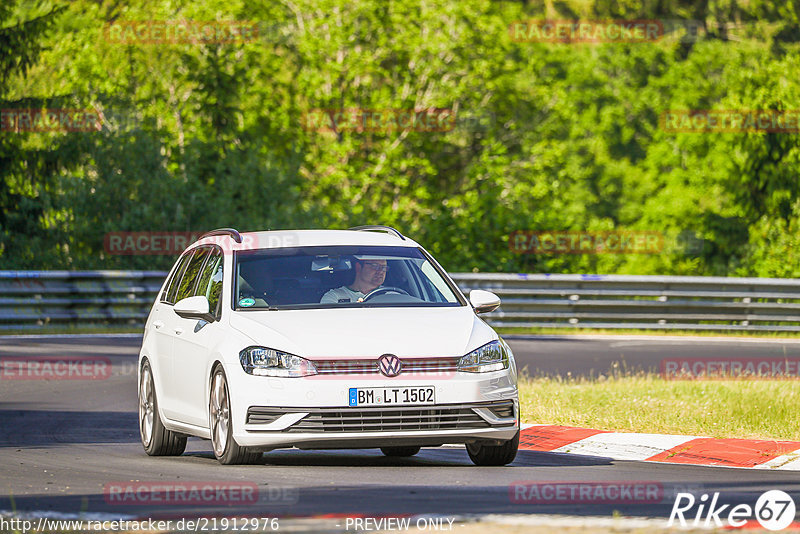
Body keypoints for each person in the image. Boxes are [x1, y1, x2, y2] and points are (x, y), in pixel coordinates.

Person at [320, 258, 387, 303]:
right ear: (358, 267)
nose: (381, 271)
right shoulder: (334, 297)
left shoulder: (391, 295)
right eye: (375, 266)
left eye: (384, 267)